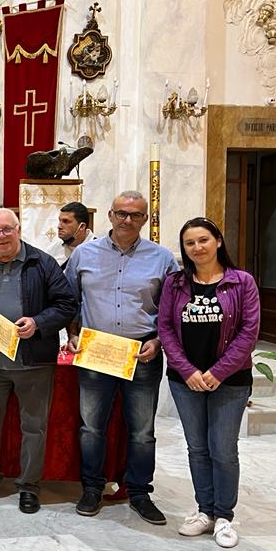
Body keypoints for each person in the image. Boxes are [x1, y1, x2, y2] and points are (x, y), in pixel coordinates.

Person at [65, 190, 179, 524]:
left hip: (142, 352)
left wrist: (159, 340)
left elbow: (172, 309)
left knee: (142, 430)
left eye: (135, 215)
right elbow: (69, 300)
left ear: (145, 219)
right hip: (96, 350)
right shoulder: (84, 254)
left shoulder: (162, 258)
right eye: (121, 213)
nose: (127, 220)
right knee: (91, 427)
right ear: (110, 216)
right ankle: (92, 488)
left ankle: (139, 492)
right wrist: (72, 333)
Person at [0, 208, 77, 513]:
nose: (1, 236)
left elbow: (67, 304)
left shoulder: (42, 263)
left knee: (34, 427)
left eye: (7, 229)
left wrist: (38, 323)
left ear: (18, 230)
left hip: (33, 363)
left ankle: (28, 486)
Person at [159, 218, 260, 548]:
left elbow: (248, 332)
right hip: (185, 380)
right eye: (189, 243)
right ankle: (204, 511)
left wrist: (218, 372)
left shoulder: (241, 282)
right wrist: (187, 370)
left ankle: (224, 517)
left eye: (203, 240)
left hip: (230, 381)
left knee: (223, 449)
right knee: (198, 448)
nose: (197, 247)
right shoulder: (175, 283)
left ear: (218, 240)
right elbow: (165, 329)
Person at [49, 201, 95, 266]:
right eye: (60, 220)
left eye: (66, 221)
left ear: (82, 226)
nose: (59, 226)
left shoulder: (99, 250)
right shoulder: (53, 250)